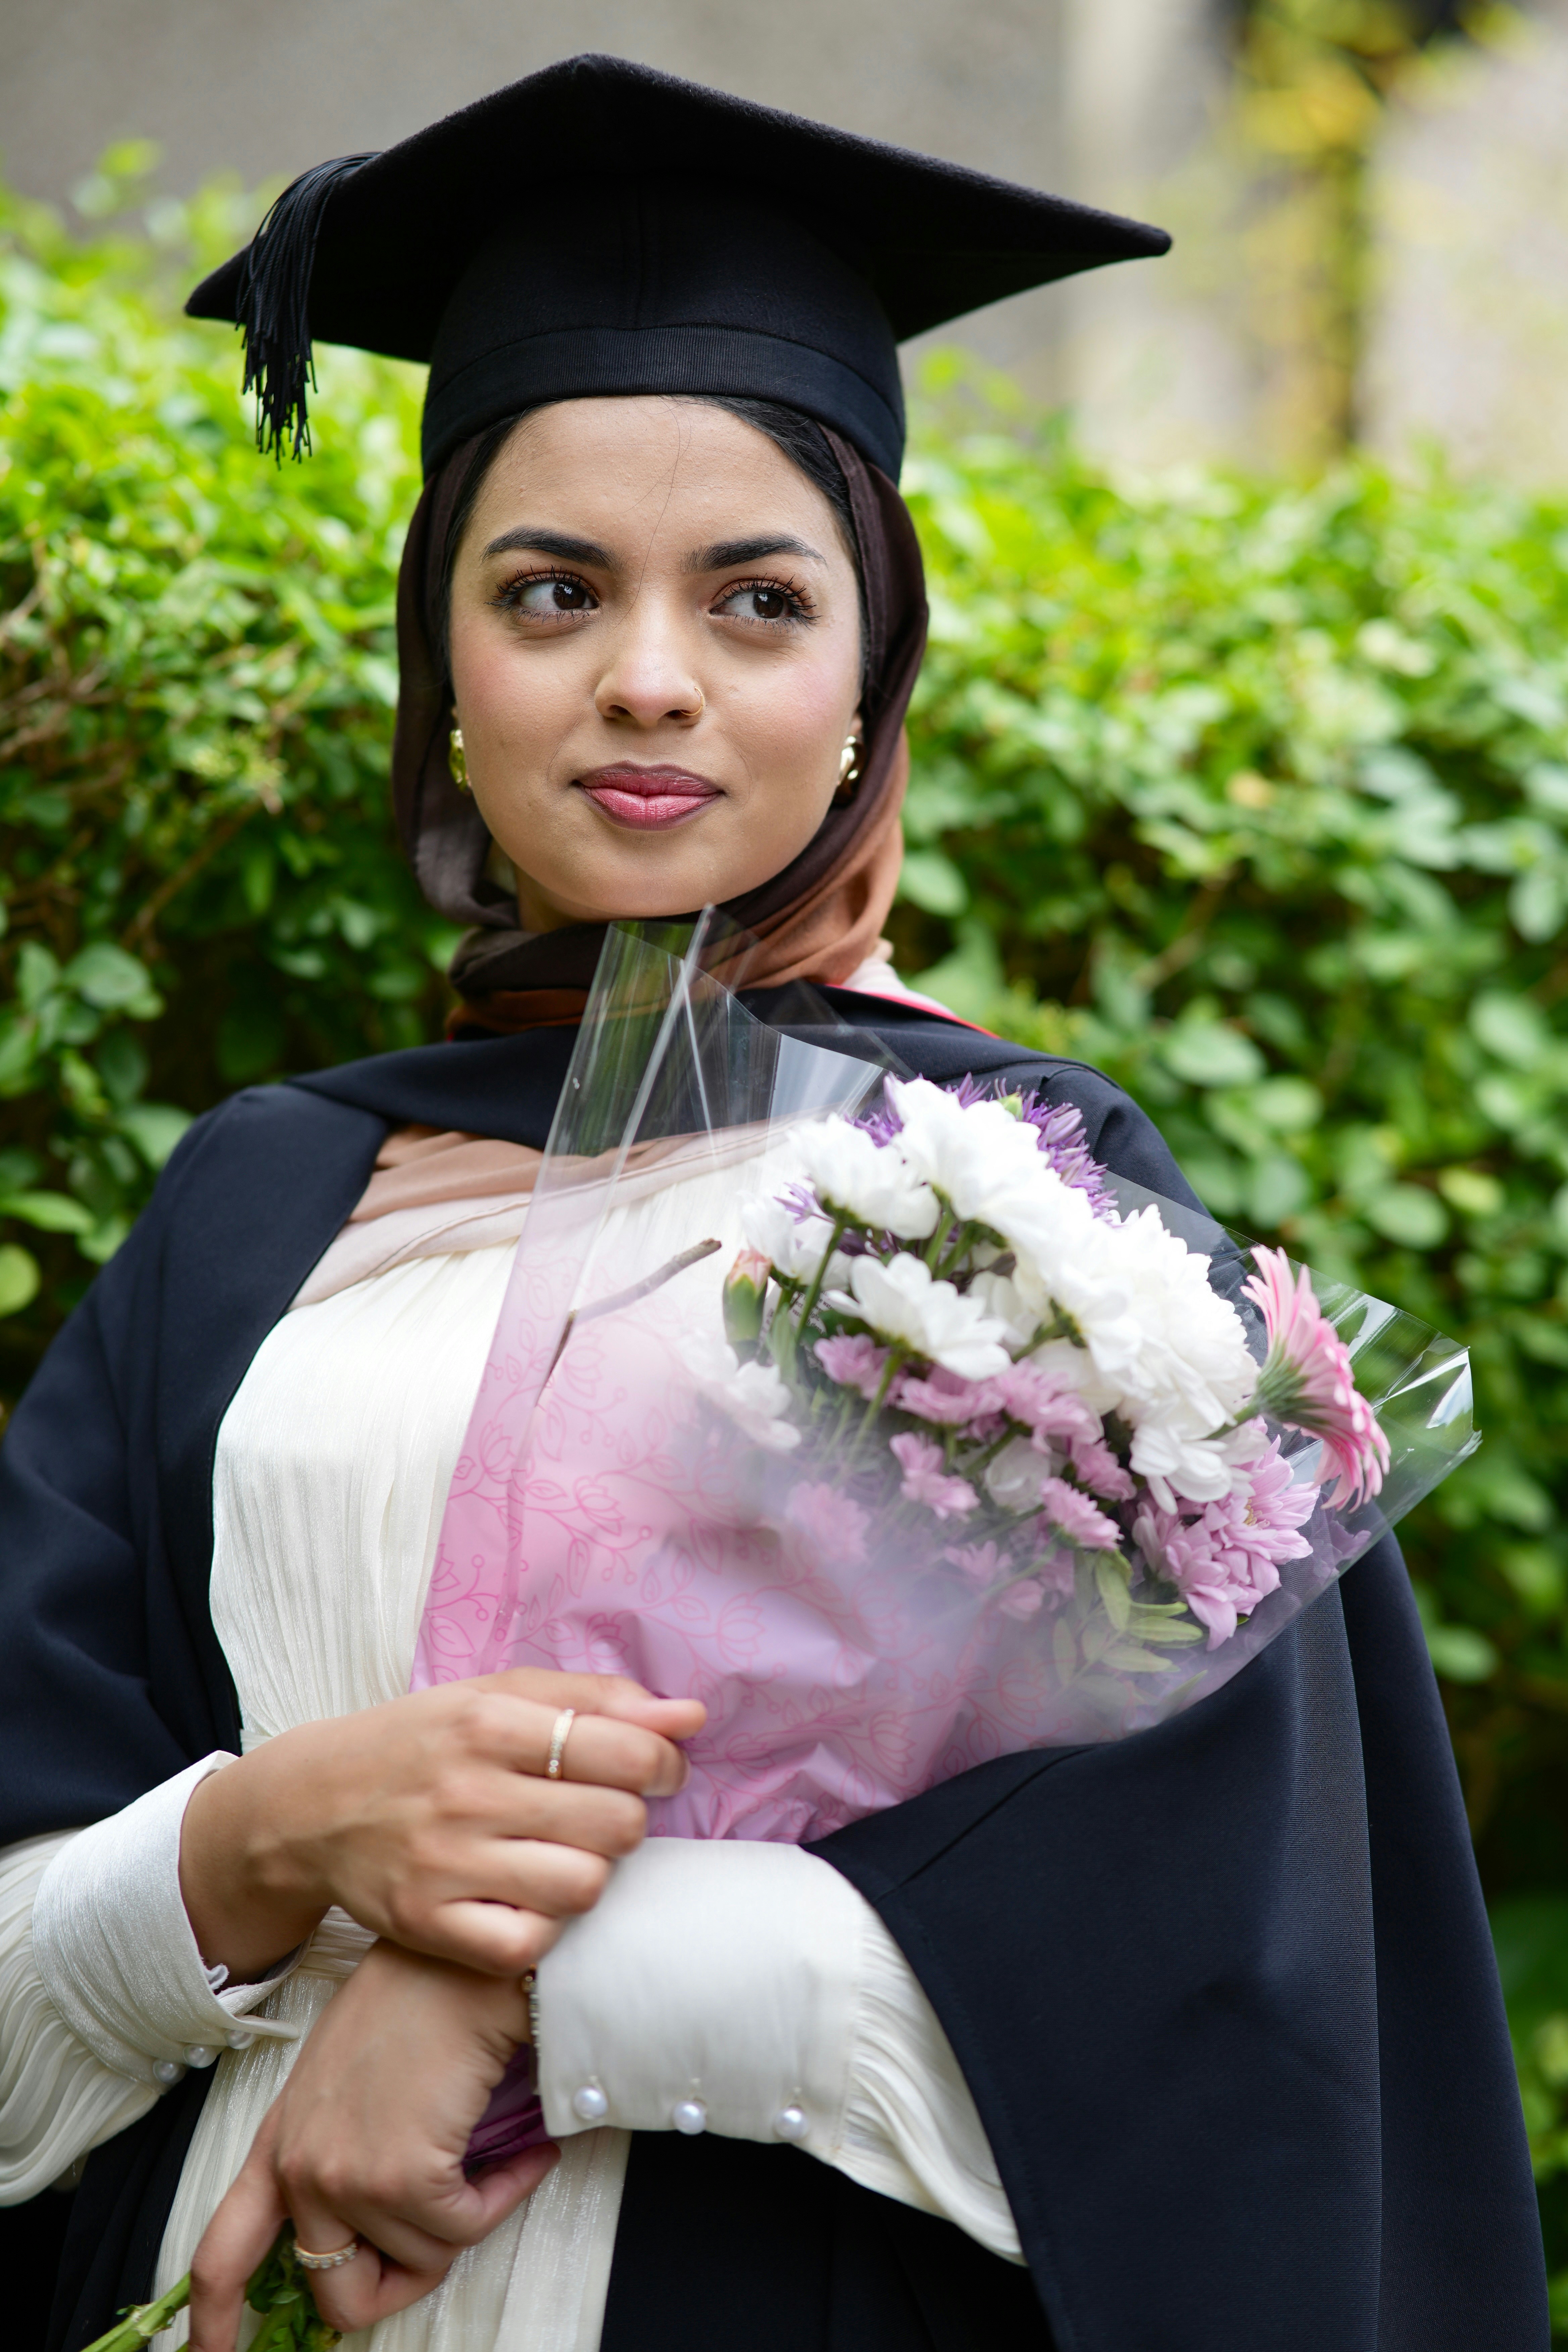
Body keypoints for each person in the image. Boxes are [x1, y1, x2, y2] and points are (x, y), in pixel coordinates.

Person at [0, 53, 1547, 2352]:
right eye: (550, 594)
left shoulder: (1022, 1218)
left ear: (864, 680)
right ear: (446, 650)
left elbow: (1223, 2027)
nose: (649, 680)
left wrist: (505, 1991)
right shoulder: (255, 1206)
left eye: (754, 600)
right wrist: (258, 1848)